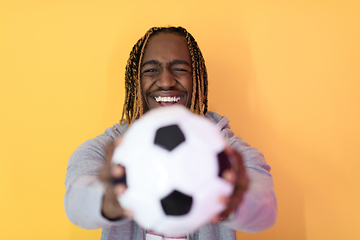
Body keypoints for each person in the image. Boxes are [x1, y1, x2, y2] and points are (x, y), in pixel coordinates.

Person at [64, 26, 277, 240]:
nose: (166, 81)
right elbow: (76, 201)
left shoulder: (227, 152)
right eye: (151, 70)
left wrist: (234, 201)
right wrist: (110, 201)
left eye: (180, 69)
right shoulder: (105, 150)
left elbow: (266, 208)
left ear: (197, 79)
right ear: (135, 81)